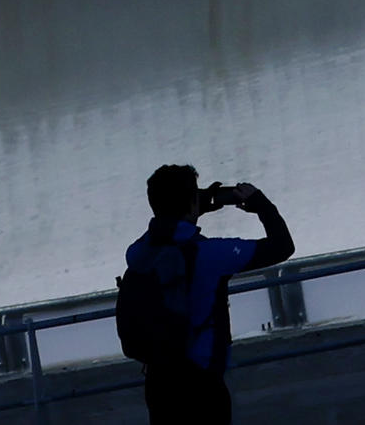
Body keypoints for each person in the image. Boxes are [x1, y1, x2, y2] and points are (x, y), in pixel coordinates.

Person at [124, 164, 295, 425]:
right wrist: (261, 204)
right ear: (191, 202)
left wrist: (193, 207)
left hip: (158, 383)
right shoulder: (210, 255)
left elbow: (165, 230)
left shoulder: (138, 253)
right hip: (201, 385)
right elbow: (282, 246)